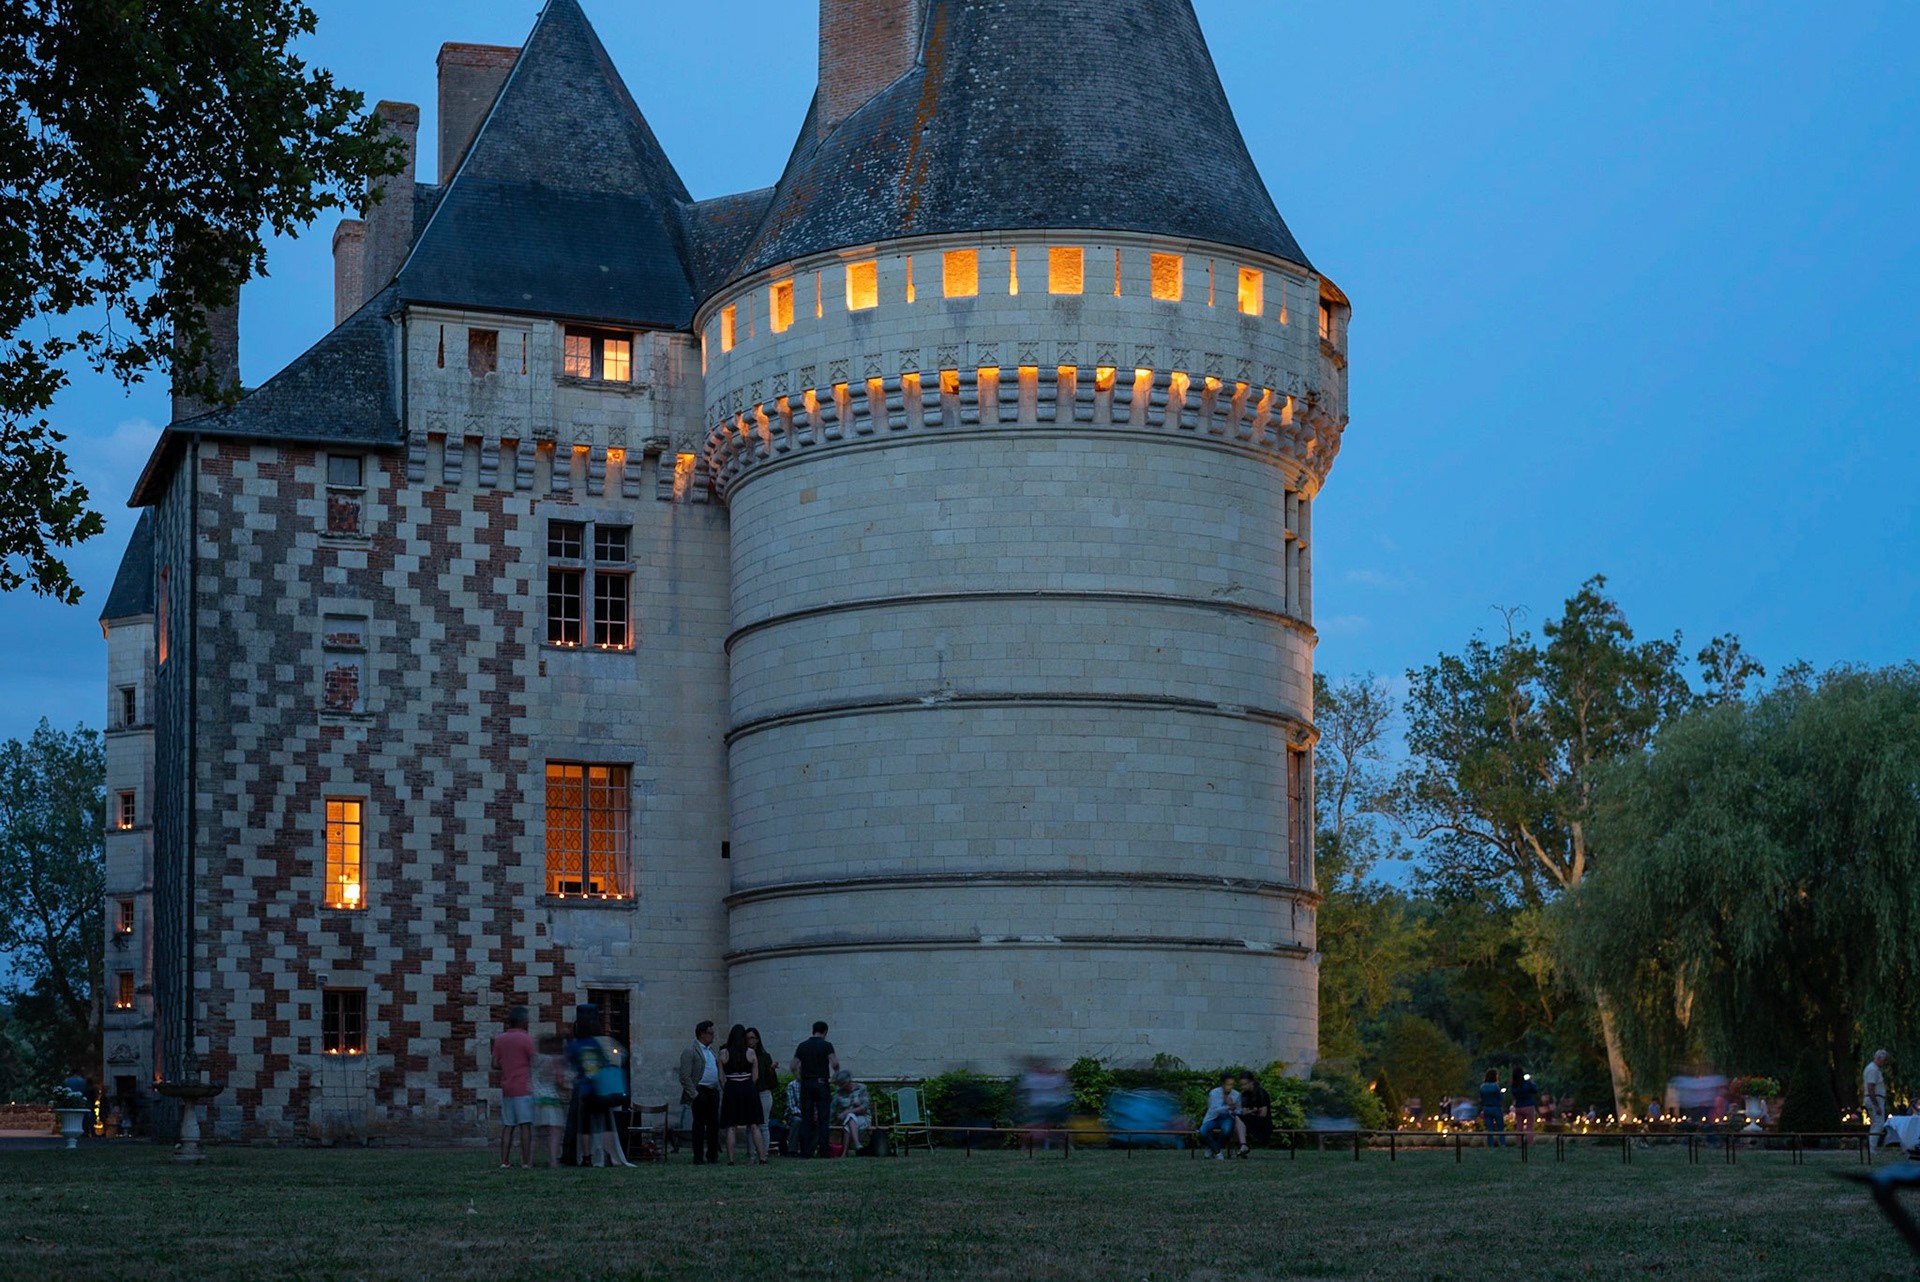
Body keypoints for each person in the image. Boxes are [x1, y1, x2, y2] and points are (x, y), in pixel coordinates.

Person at [568, 1007, 633, 1168]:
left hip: (586, 1090)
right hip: (601, 1089)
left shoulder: (575, 1046)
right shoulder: (596, 1043)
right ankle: (609, 1156)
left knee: (585, 1127)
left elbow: (571, 1067)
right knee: (606, 1125)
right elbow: (608, 1060)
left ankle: (587, 1158)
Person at [490, 1005, 537, 1169]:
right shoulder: (526, 1038)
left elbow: (494, 1064)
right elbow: (535, 1060)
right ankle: (526, 1162)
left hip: (507, 1088)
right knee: (525, 1125)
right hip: (523, 1087)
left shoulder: (500, 1039)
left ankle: (504, 1161)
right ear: (522, 1021)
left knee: (508, 1126)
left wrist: (507, 1066)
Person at [717, 1023, 767, 1165]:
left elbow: (721, 1078)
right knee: (754, 1124)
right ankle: (762, 1157)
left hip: (731, 1088)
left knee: (731, 1126)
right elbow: (755, 1076)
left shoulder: (723, 1053)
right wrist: (749, 1086)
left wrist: (727, 1088)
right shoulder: (750, 1052)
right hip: (747, 1088)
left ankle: (731, 1159)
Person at [790, 1021, 839, 1158]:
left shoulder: (802, 1046)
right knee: (823, 1119)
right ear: (825, 1032)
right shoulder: (826, 1045)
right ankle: (823, 1151)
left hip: (806, 1084)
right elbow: (834, 1063)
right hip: (821, 1083)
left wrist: (800, 1078)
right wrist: (834, 1076)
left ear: (813, 1030)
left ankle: (806, 1151)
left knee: (806, 1119)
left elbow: (793, 1066)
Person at [677, 1020, 722, 1165]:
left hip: (713, 1091)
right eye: (710, 1033)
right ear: (702, 1034)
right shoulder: (691, 1051)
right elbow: (684, 1076)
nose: (713, 1036)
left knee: (714, 1125)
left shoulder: (711, 1052)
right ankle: (698, 1156)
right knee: (699, 1126)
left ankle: (712, 1155)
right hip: (700, 1091)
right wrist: (694, 1094)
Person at [532, 1033, 569, 1167]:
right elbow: (560, 1082)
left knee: (536, 1134)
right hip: (551, 1099)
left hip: (535, 1099)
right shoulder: (556, 1061)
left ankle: (530, 1160)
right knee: (554, 1132)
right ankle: (553, 1160)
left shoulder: (535, 1059)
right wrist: (569, 1088)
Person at [747, 1027, 779, 1159]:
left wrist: (771, 1069)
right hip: (749, 1093)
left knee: (763, 1124)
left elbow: (770, 1080)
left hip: (763, 1092)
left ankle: (763, 1153)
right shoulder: (744, 1056)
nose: (750, 1041)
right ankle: (752, 1153)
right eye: (747, 1038)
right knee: (751, 1124)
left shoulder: (764, 1057)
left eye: (752, 1038)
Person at [831, 1069, 872, 1157]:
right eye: (839, 1084)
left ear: (849, 1081)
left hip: (863, 1118)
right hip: (846, 1119)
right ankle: (857, 1145)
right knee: (849, 1119)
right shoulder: (839, 1093)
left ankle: (845, 1153)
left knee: (848, 1120)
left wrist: (847, 1112)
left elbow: (864, 1108)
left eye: (842, 1084)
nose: (841, 1086)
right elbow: (832, 1109)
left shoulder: (861, 1088)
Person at [1199, 1074, 1240, 1159]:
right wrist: (1228, 1106)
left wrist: (1233, 1109)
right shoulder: (1214, 1093)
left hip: (1227, 1118)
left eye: (1232, 1084)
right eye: (1228, 1084)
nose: (1230, 1087)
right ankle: (1216, 1150)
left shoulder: (1236, 1095)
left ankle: (1213, 1149)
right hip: (1214, 1117)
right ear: (1222, 1084)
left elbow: (1238, 1110)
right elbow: (1213, 1109)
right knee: (1202, 1131)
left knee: (1226, 1130)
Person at [1236, 1072, 1272, 1155]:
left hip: (1263, 1122)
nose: (1243, 1087)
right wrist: (1253, 1111)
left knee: (1239, 1119)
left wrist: (1251, 1112)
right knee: (1238, 1118)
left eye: (1245, 1084)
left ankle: (1243, 1146)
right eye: (1241, 1085)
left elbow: (1263, 1114)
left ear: (1251, 1082)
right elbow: (1244, 1111)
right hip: (1252, 1118)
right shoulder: (1245, 1094)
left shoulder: (1261, 1093)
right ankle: (1243, 1145)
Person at [1867, 1050, 1892, 1146]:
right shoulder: (1873, 1070)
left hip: (1875, 1098)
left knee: (1875, 1123)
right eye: (1884, 1060)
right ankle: (1872, 1148)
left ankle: (1871, 1147)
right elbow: (1870, 1087)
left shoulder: (1874, 1069)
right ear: (1878, 1059)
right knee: (1878, 1123)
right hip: (1876, 1099)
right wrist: (1876, 1105)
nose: (1885, 1063)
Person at [1479, 1068, 1507, 1148]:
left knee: (1489, 1128)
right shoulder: (1495, 1086)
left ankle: (1490, 1144)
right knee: (1500, 1127)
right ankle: (1502, 1143)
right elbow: (1500, 1097)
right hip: (1496, 1107)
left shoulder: (1482, 1087)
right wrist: (1502, 1093)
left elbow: (1481, 1098)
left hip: (1486, 1108)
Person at [1512, 1071, 1541, 1137]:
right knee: (1529, 1126)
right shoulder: (1527, 1084)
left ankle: (1519, 1142)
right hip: (1528, 1105)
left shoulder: (1514, 1086)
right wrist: (1531, 1082)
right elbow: (1535, 1089)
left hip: (1518, 1106)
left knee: (1519, 1127)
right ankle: (1529, 1142)